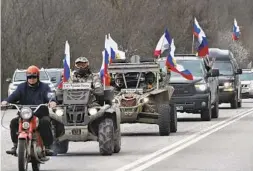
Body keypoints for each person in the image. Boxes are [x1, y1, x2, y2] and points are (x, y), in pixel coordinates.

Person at [1, 65, 57, 160]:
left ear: (37, 77)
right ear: (27, 77)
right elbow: (14, 96)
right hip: (25, 114)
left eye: (34, 77)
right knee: (14, 122)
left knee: (45, 122)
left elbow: (50, 96)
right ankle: (15, 145)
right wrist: (6, 101)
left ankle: (47, 147)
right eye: (29, 77)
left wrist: (52, 102)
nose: (31, 79)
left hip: (40, 113)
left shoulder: (44, 87)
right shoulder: (21, 87)